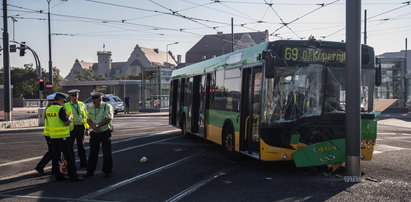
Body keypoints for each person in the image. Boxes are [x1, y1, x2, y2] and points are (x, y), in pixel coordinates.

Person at [46, 92, 82, 182]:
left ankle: (58, 176)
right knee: (69, 156)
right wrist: (70, 117)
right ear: (60, 100)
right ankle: (73, 176)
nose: (65, 103)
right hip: (63, 137)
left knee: (55, 157)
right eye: (64, 101)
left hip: (53, 137)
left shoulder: (48, 109)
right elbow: (66, 122)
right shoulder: (60, 109)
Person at [85, 92, 114, 177]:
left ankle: (107, 171)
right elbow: (88, 119)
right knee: (93, 153)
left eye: (95, 100)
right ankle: (90, 171)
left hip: (105, 132)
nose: (94, 102)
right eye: (93, 100)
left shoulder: (107, 107)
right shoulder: (91, 108)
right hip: (94, 133)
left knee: (107, 153)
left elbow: (108, 118)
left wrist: (98, 125)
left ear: (100, 99)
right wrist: (93, 126)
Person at [65, 89, 89, 168]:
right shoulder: (66, 105)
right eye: (73, 96)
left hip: (80, 127)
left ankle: (83, 163)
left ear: (78, 95)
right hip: (71, 128)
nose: (74, 97)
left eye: (76, 95)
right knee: (70, 147)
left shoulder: (82, 104)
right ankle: (71, 164)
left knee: (81, 146)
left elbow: (85, 116)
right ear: (70, 97)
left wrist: (87, 128)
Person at [35, 93, 57, 175]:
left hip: (49, 133)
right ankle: (40, 166)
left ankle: (55, 168)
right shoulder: (51, 109)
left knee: (53, 151)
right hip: (50, 134)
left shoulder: (47, 109)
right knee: (52, 152)